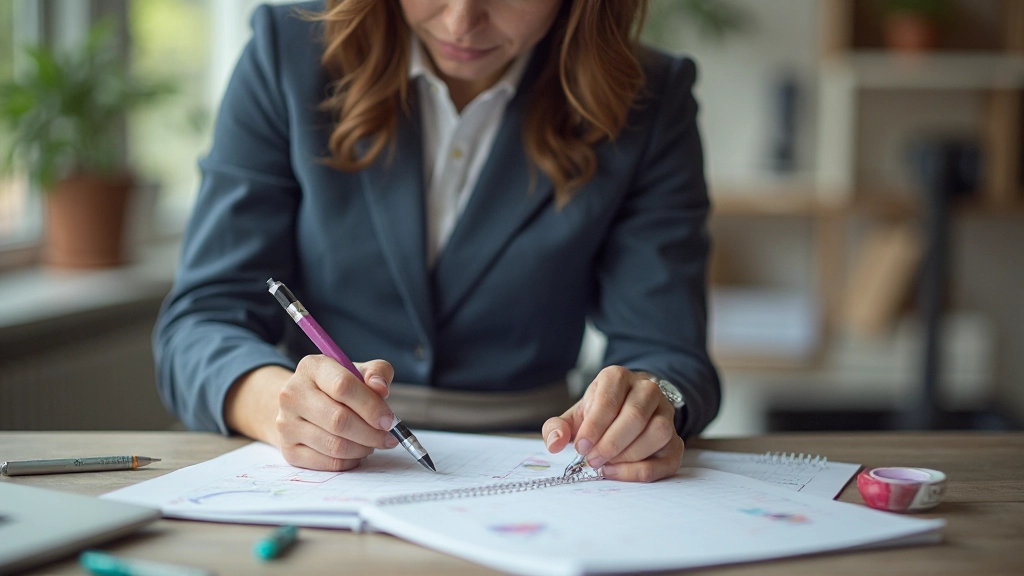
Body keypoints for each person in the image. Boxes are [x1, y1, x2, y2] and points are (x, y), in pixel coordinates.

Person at [154, 0, 720, 484]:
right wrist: (279, 405)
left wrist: (651, 403)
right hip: (315, 472)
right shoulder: (289, 51)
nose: (461, 21)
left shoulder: (650, 97)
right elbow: (202, 321)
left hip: (541, 457)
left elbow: (668, 349)